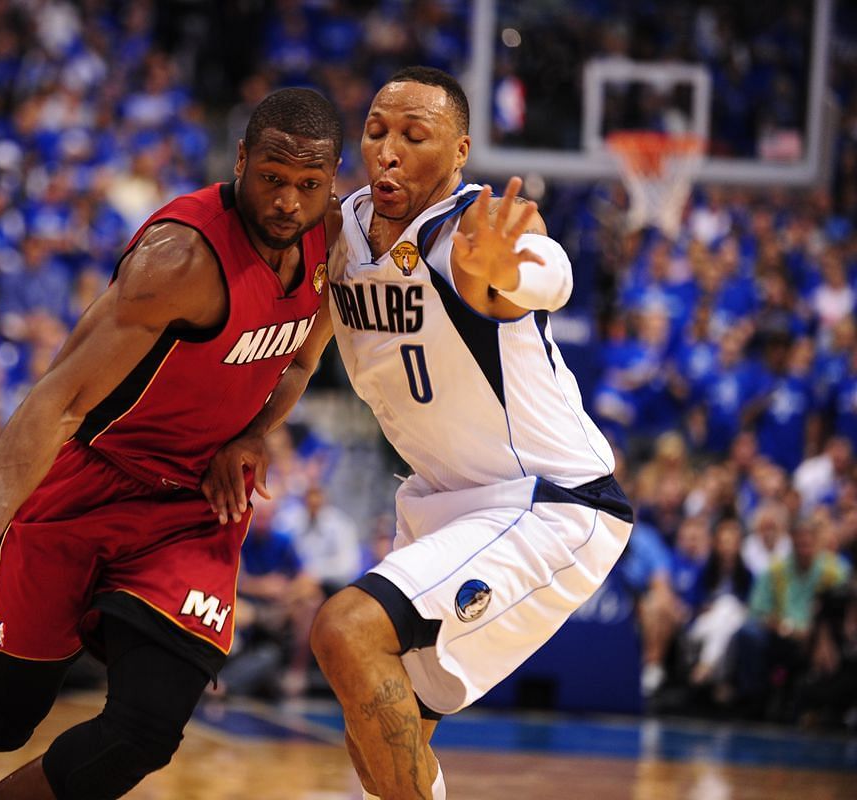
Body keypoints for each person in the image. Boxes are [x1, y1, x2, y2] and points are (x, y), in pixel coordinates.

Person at [0, 88, 343, 800]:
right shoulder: (180, 261)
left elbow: (303, 361)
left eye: (307, 186)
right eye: (272, 179)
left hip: (195, 503)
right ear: (242, 160)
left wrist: (250, 437)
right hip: (93, 479)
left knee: (145, 732)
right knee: (7, 713)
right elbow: (58, 399)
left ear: (331, 182)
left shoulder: (334, 241)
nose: (288, 201)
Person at [204, 67, 632, 800]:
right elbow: (308, 353)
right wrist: (257, 431)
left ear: (460, 151)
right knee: (377, 738)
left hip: (548, 503)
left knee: (345, 628)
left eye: (414, 135)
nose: (389, 151)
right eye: (376, 132)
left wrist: (513, 270)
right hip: (443, 503)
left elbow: (540, 273)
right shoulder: (342, 228)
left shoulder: (469, 231)